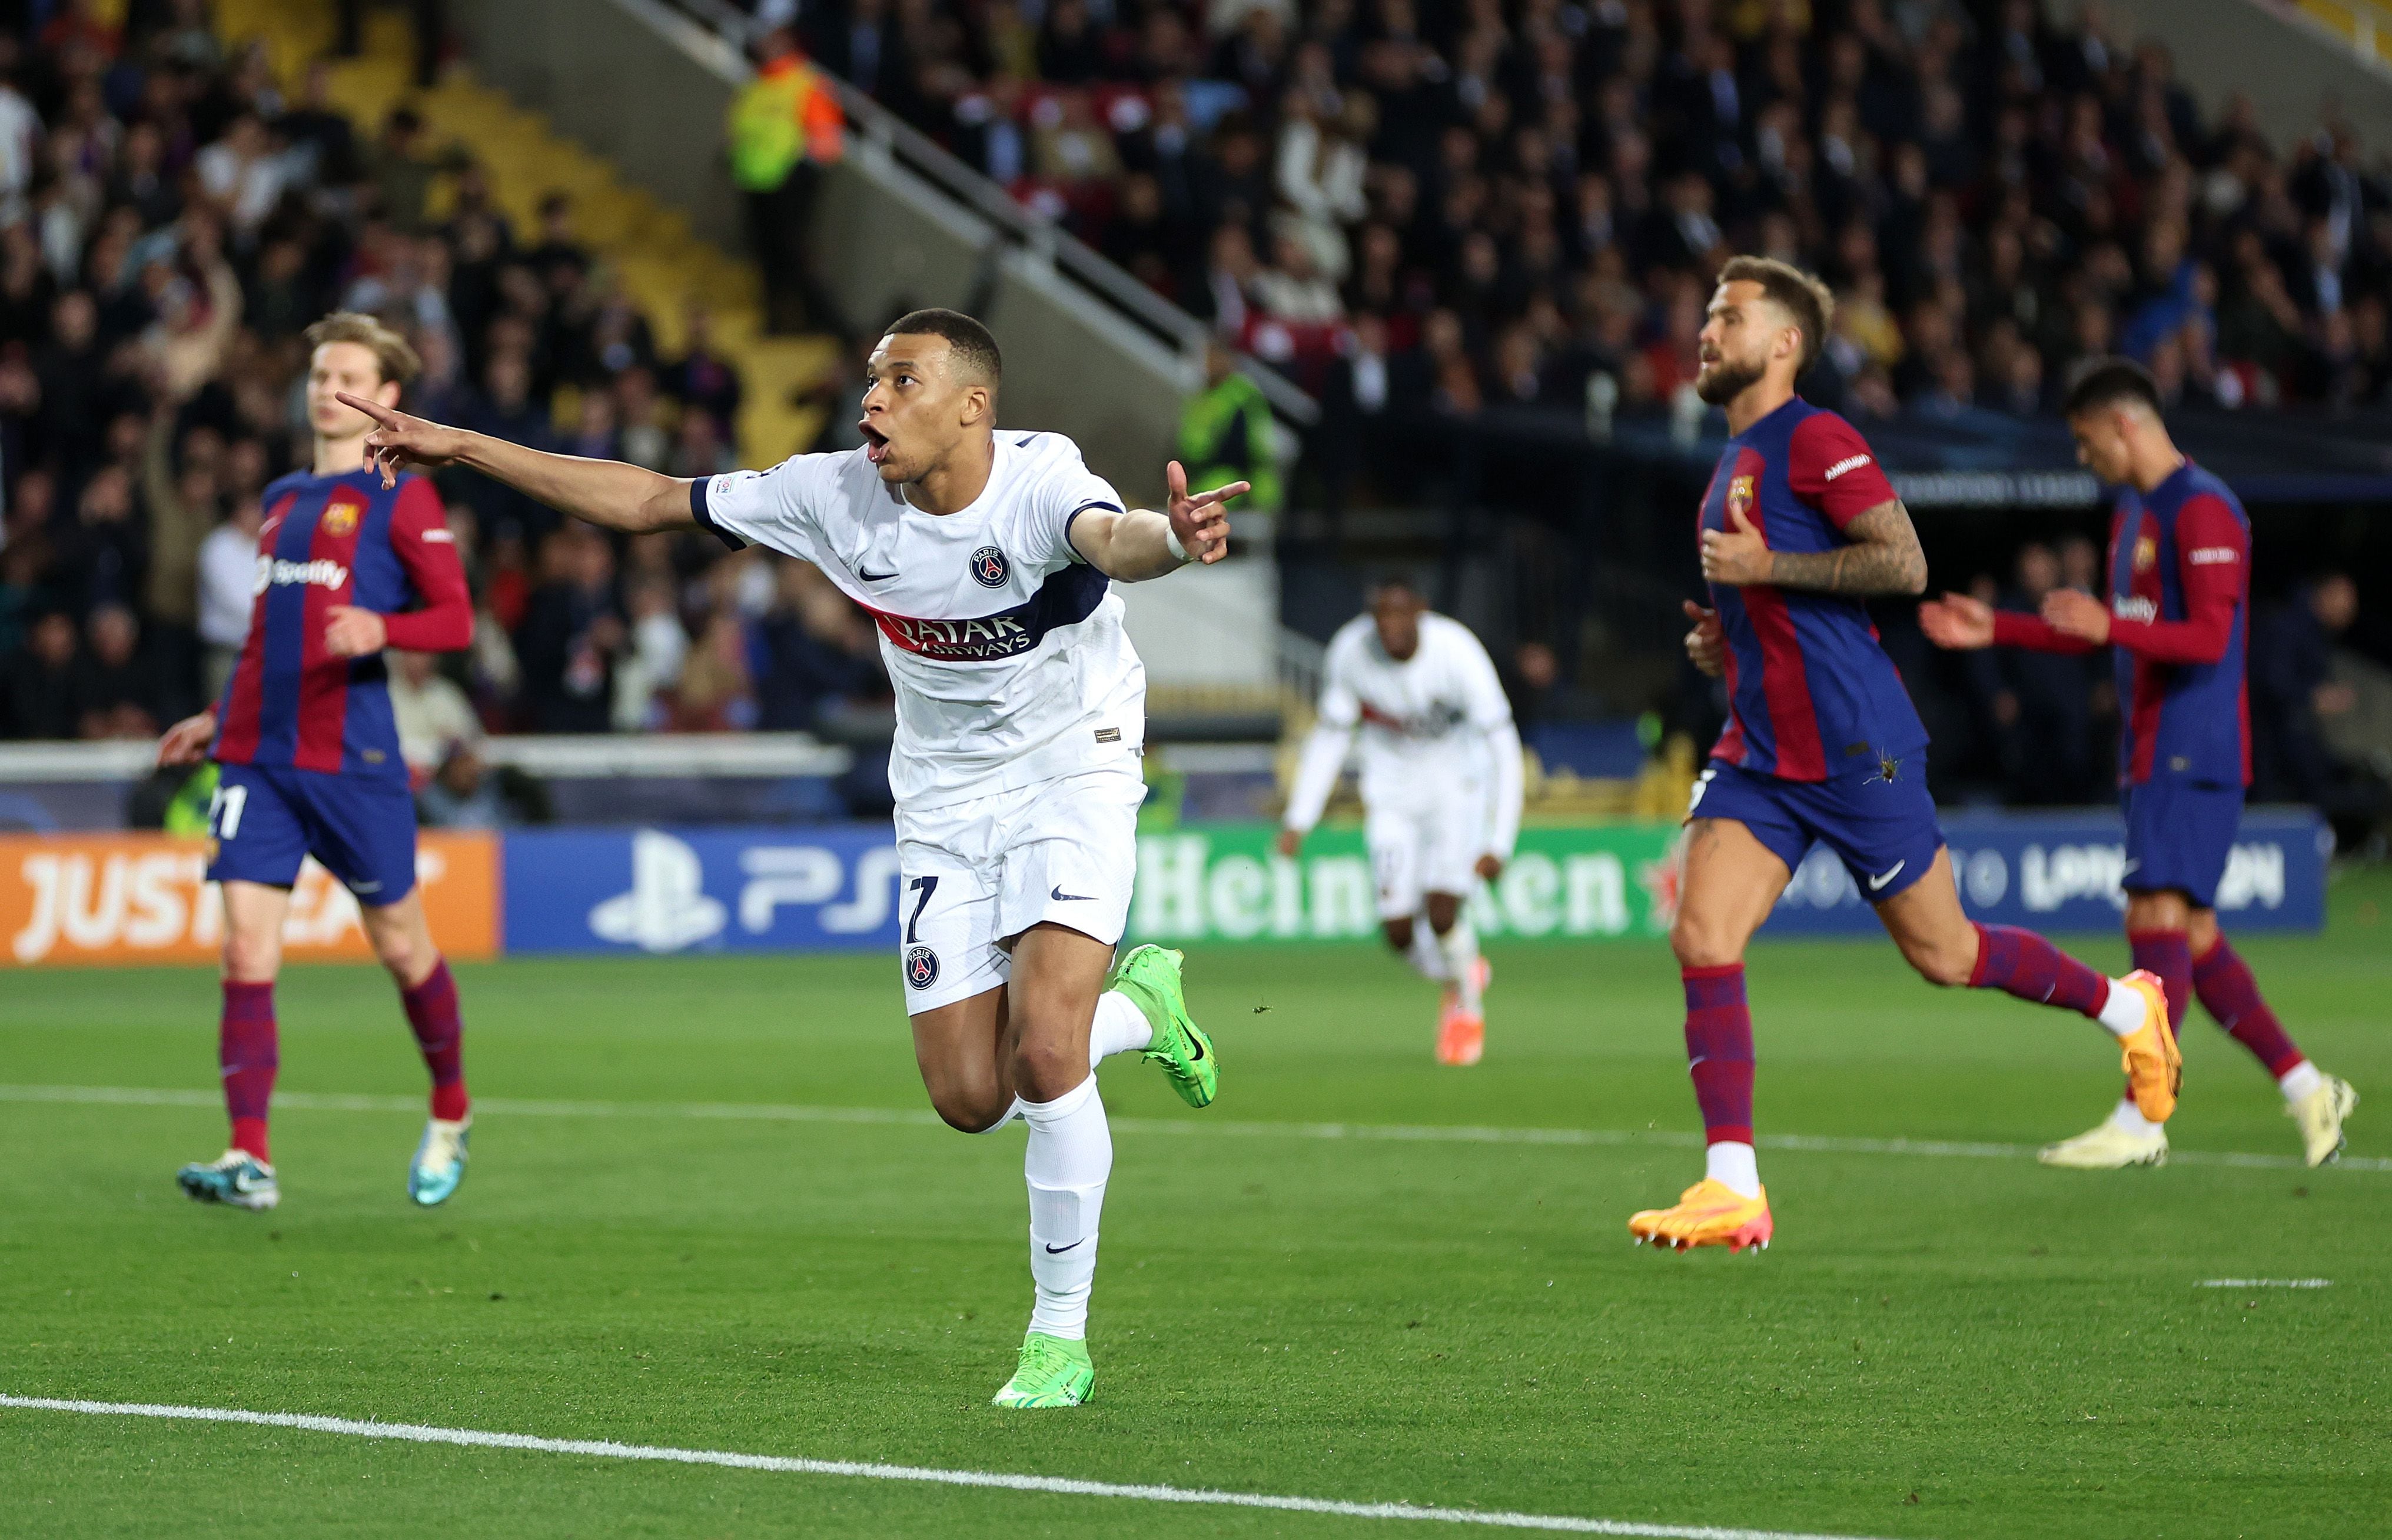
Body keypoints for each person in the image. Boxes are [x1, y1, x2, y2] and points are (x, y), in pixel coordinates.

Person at [334, 308, 1242, 1410]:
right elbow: (648, 500)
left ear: (972, 405)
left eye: (899, 381)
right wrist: (463, 445)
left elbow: (1116, 540)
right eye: (869, 380)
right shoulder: (832, 494)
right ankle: (1142, 1007)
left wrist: (1171, 536)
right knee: (968, 1094)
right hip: (945, 794)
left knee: (1045, 1053)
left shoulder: (1041, 480)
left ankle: (1058, 1337)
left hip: (1073, 763)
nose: (870, 400)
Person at [1631, 258, 2177, 1254]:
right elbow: (1774, 606)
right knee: (1701, 934)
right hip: (1759, 748)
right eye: (1706, 313)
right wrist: (1727, 634)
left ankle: (2124, 1005)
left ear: (1784, 343)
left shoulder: (1815, 436)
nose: (1705, 330)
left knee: (1945, 953)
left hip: (1855, 748)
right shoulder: (1728, 460)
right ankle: (1731, 1186)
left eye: (1729, 316)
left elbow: (1902, 560)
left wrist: (1764, 568)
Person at [1920, 358, 2356, 1169]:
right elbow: (2105, 626)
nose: (2086, 460)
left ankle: (2140, 1119)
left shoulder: (2205, 509)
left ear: (2125, 425)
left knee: (2155, 920)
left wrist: (2109, 628)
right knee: (2188, 935)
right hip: (2154, 747)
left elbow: (2213, 640)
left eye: (2088, 443)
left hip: (2194, 746)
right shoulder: (2136, 514)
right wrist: (2001, 629)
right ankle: (2306, 1088)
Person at [154, 314, 477, 1215]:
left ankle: (451, 1106)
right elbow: (272, 635)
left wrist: (385, 626)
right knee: (245, 947)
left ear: (385, 398)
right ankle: (248, 1157)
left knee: (402, 946)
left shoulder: (403, 496)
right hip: (257, 757)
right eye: (317, 371)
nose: (324, 386)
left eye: (345, 373)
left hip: (352, 758)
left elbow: (456, 620)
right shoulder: (282, 497)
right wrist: (217, 718)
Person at [1277, 577, 1522, 1065]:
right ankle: (1461, 973)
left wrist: (1501, 840)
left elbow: (1503, 745)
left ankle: (1467, 1008)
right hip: (1389, 797)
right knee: (1397, 932)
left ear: (1420, 613)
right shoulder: (1351, 652)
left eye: (1398, 613)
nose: (1388, 625)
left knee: (1443, 911)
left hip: (1457, 790)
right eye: (1379, 615)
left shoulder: (1458, 652)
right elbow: (1330, 738)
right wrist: (1299, 817)